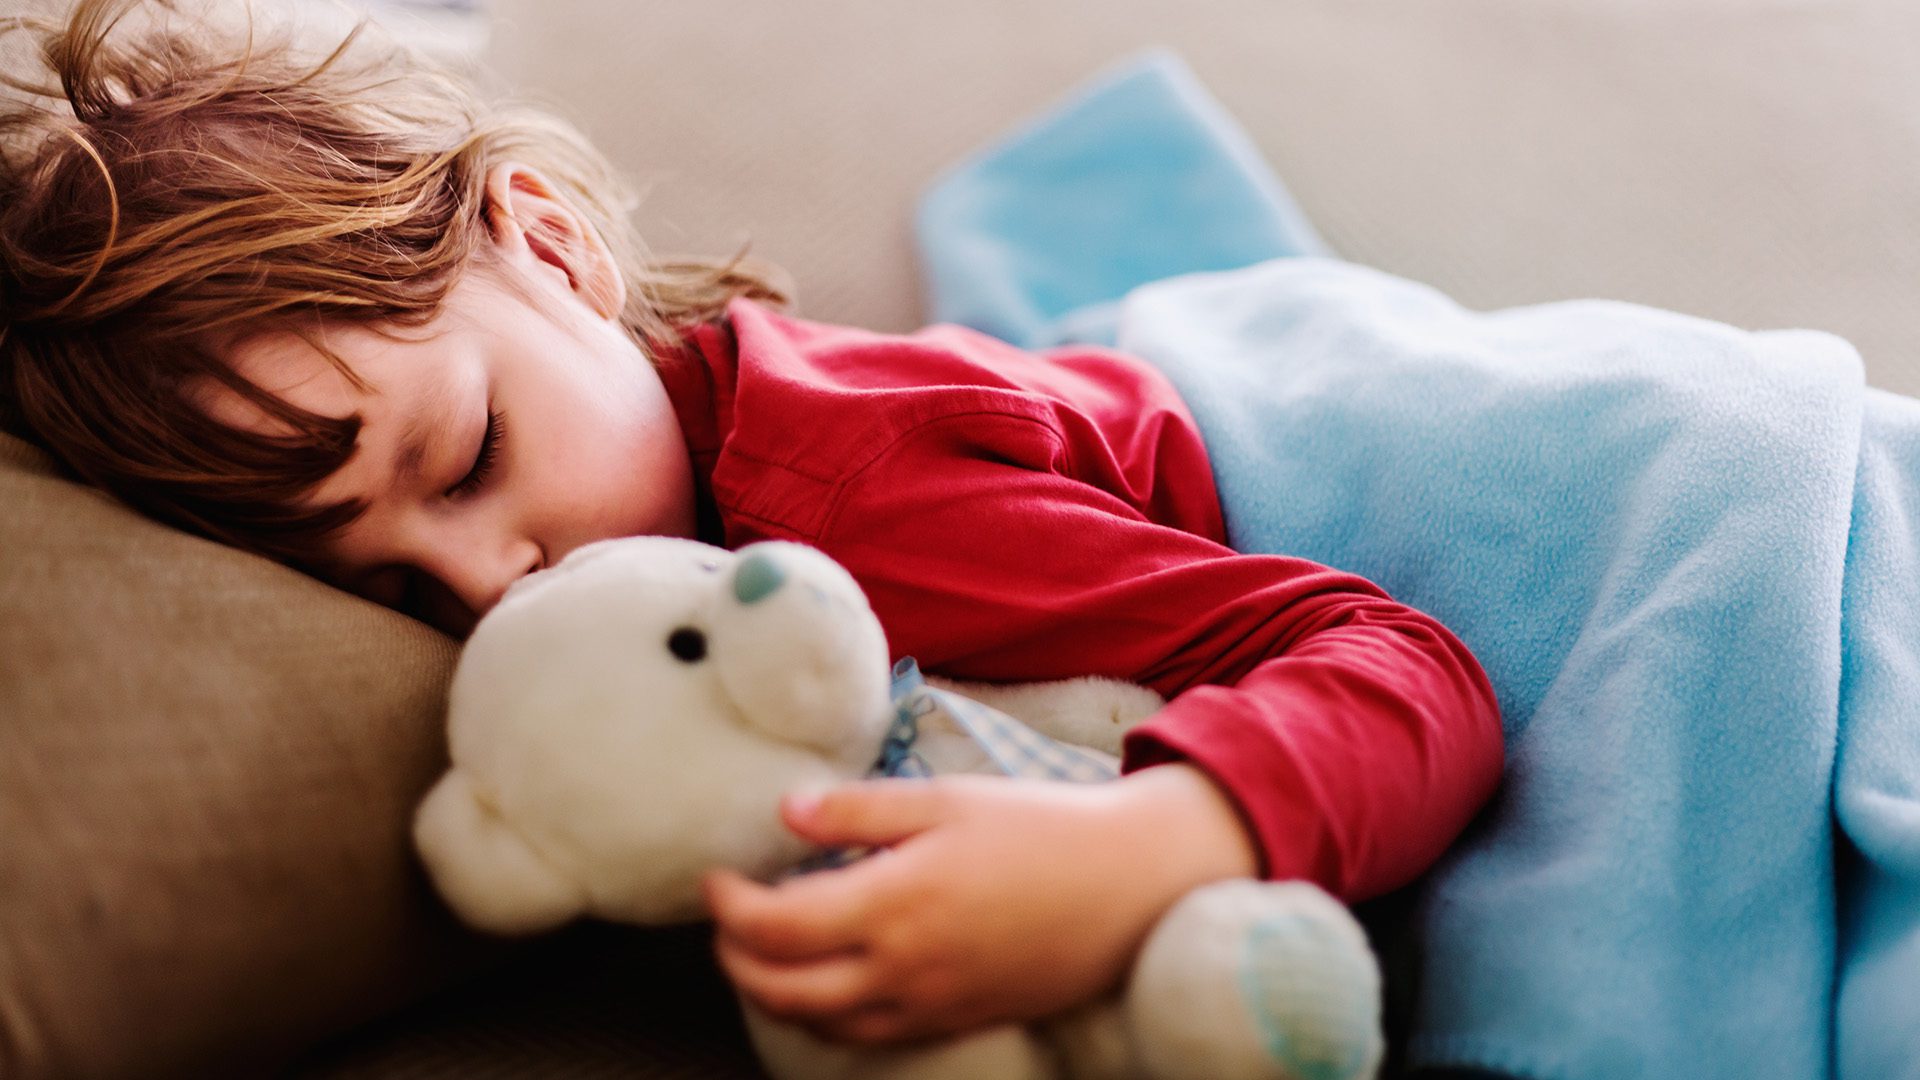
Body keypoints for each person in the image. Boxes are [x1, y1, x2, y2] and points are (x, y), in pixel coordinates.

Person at [0, 0, 1502, 1049]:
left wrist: (1152, 845)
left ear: (552, 240)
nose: (491, 586)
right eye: (390, 586)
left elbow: (1399, 661)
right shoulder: (675, 549)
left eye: (466, 461)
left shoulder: (853, 494)